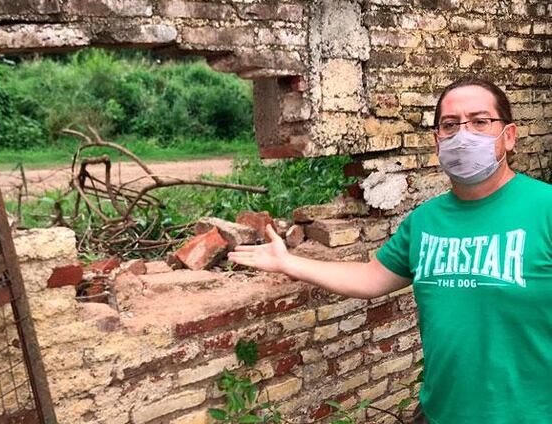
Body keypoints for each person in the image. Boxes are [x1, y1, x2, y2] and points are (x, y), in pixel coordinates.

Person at [228, 77, 552, 424]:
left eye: (480, 121)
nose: (463, 134)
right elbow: (371, 277)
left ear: (510, 135)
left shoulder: (544, 208)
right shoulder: (425, 221)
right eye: (450, 125)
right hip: (439, 413)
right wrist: (288, 262)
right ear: (437, 141)